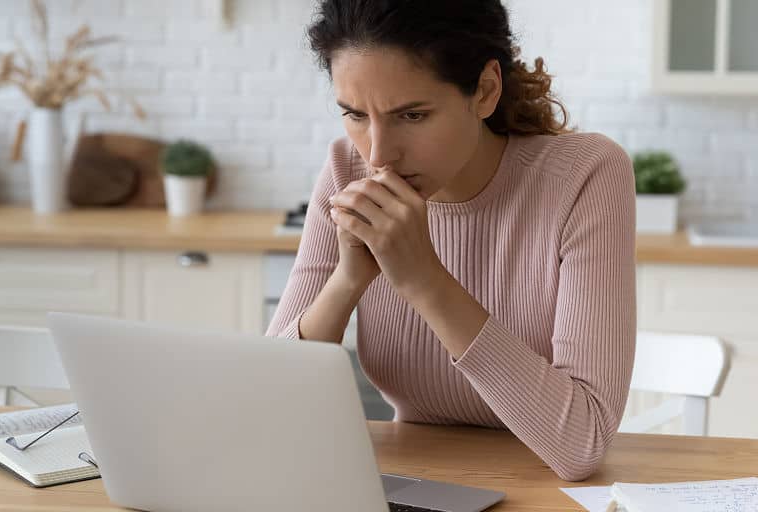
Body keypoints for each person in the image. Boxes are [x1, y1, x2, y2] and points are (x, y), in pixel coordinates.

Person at [266, 0, 636, 481]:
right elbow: (268, 413)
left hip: (544, 492)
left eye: (413, 116)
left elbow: (581, 444)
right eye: (355, 114)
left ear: (484, 91)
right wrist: (348, 278)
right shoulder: (345, 170)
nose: (379, 154)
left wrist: (423, 278)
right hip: (412, 481)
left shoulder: (584, 175)